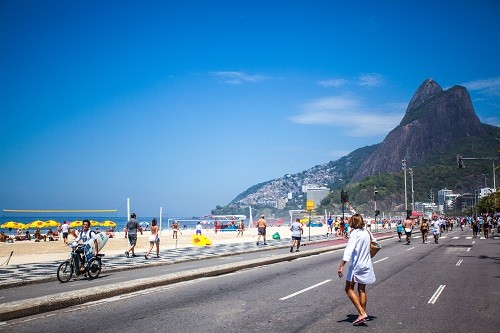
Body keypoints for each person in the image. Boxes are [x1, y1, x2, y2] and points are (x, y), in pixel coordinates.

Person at [337, 214, 375, 326]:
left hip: (357, 266)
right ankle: (362, 314)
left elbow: (349, 250)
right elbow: (375, 242)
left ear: (353, 222)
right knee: (362, 289)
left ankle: (362, 313)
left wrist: (341, 265)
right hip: (367, 264)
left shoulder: (355, 234)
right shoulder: (367, 232)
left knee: (348, 288)